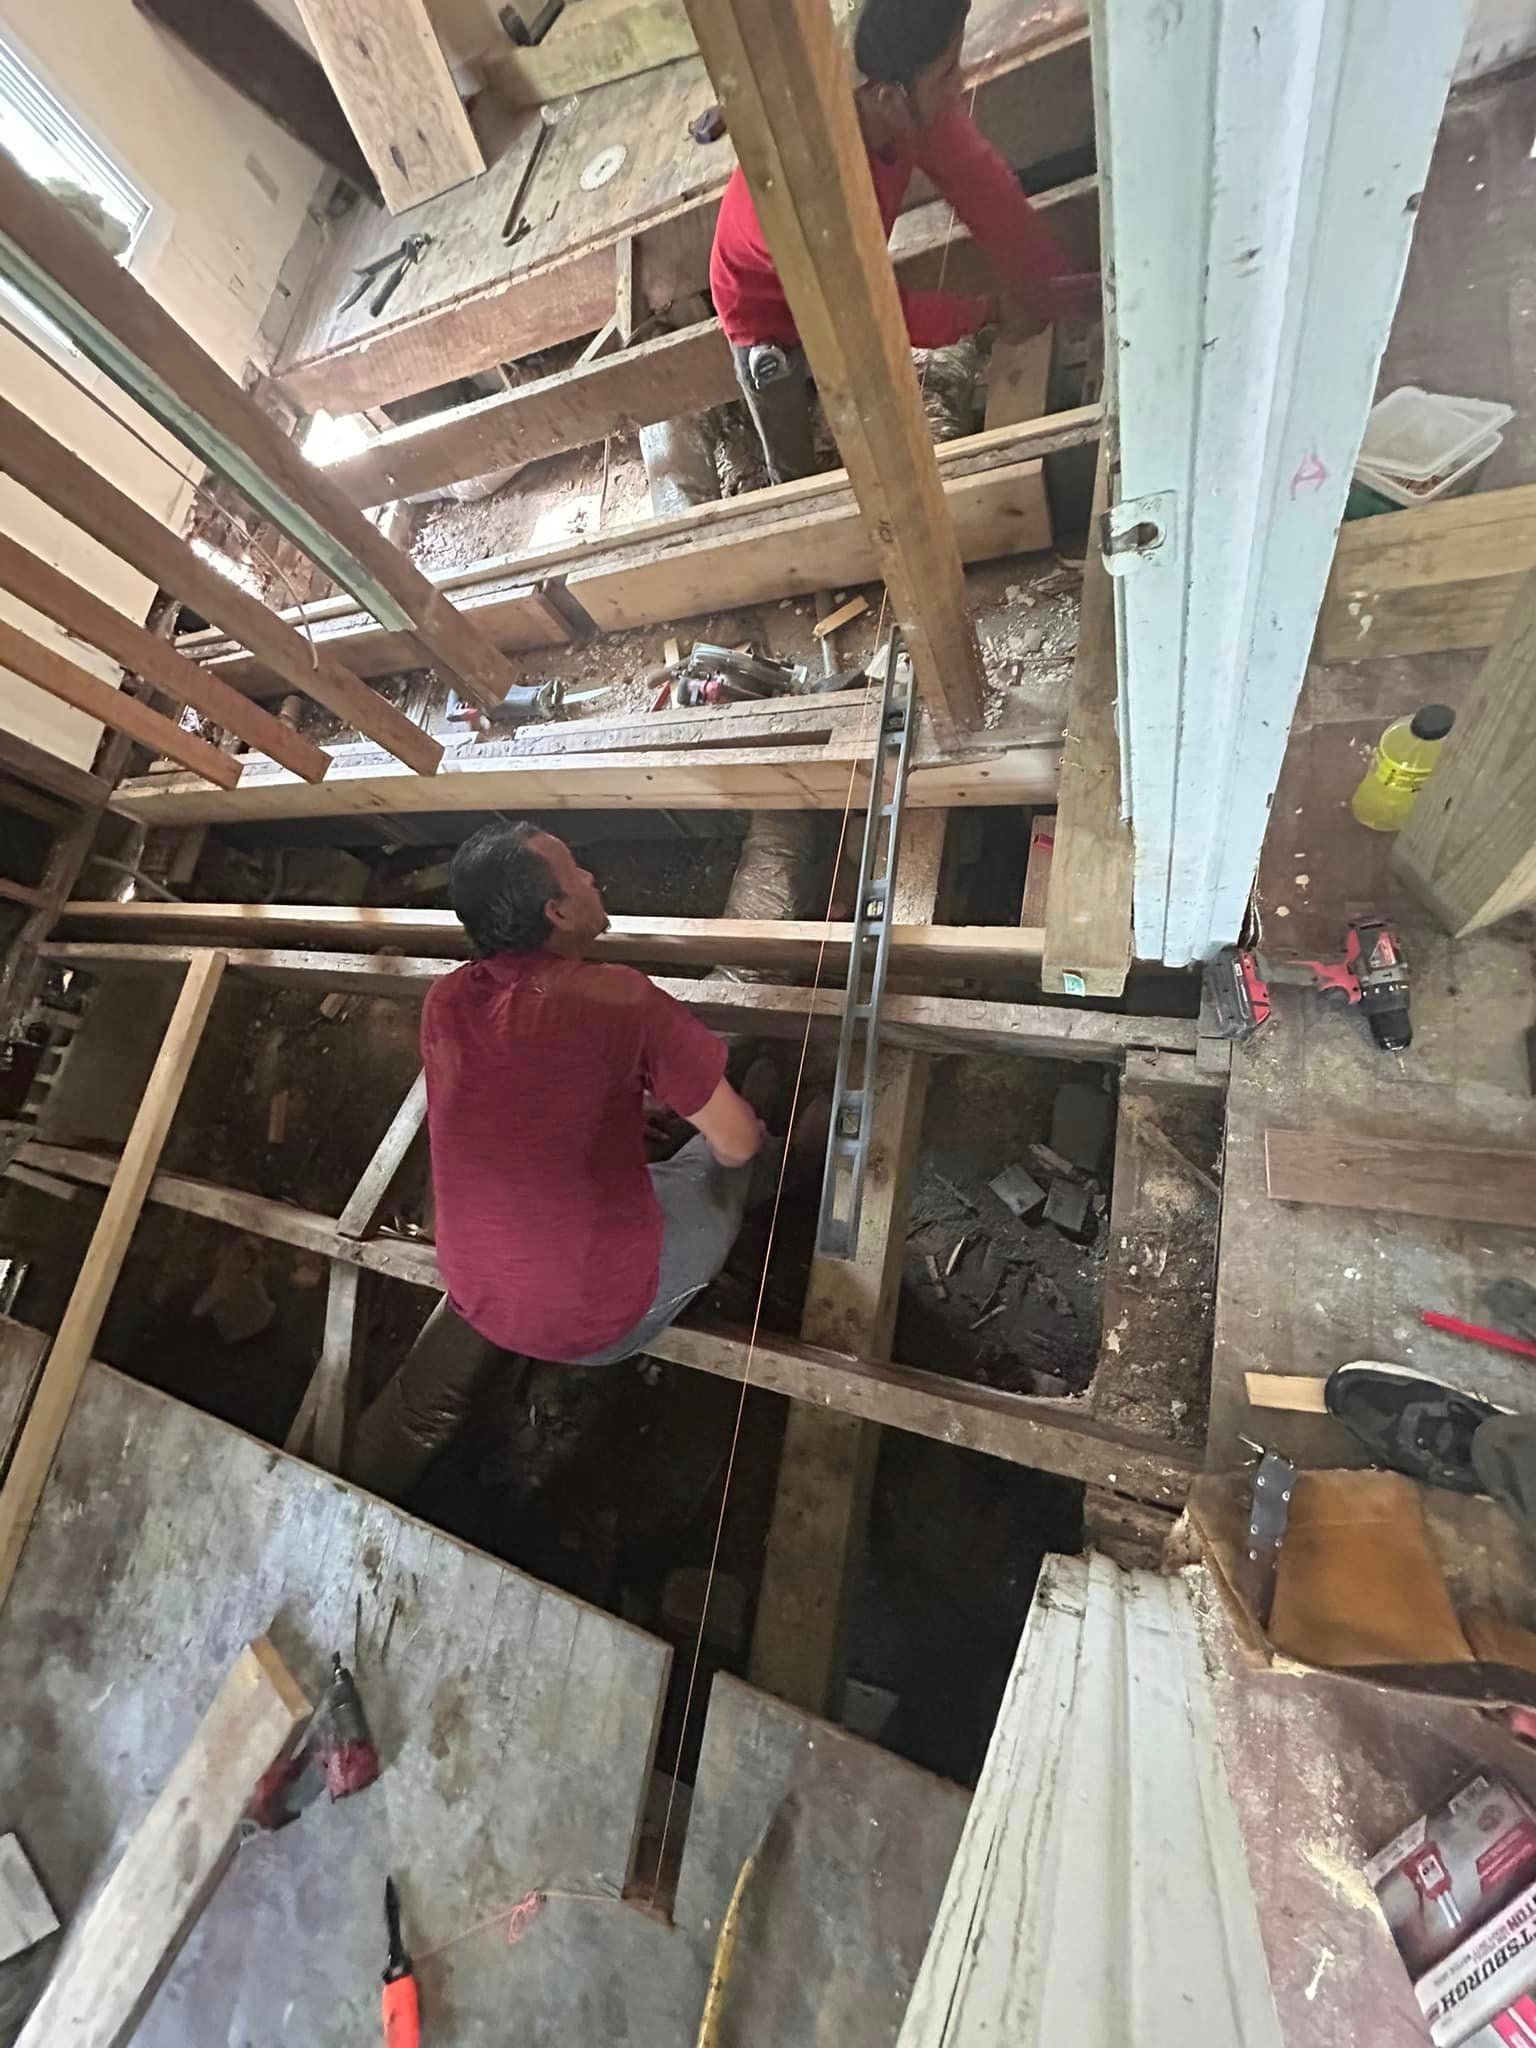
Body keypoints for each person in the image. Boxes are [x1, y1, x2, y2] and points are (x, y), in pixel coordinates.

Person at [348, 821, 767, 1496]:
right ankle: (797, 1157)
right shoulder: (619, 997)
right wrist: (734, 1122)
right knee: (738, 1151)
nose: (593, 879)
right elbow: (735, 1141)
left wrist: (622, 1102)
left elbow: (519, 1089)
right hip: (603, 1319)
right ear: (558, 912)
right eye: (577, 872)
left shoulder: (445, 1001)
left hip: (480, 1298)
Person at [708, 0, 1092, 483]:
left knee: (858, 375)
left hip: (832, 274)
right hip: (760, 308)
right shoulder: (817, 198)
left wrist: (1052, 282)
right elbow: (879, 313)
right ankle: (801, 498)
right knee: (789, 442)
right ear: (889, 97)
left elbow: (984, 188)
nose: (959, 83)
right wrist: (988, 313)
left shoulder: (909, 107)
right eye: (947, 72)